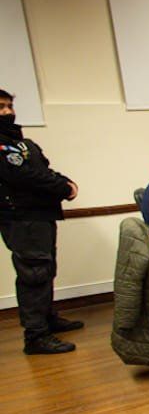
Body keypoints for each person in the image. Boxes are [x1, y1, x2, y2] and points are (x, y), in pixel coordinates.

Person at [0, 88, 83, 355]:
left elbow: (42, 170)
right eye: (1, 107)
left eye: (9, 106)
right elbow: (22, 177)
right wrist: (63, 187)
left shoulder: (23, 142)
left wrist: (65, 182)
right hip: (21, 218)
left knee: (46, 270)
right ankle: (35, 336)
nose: (8, 112)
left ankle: (47, 318)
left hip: (41, 216)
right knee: (33, 274)